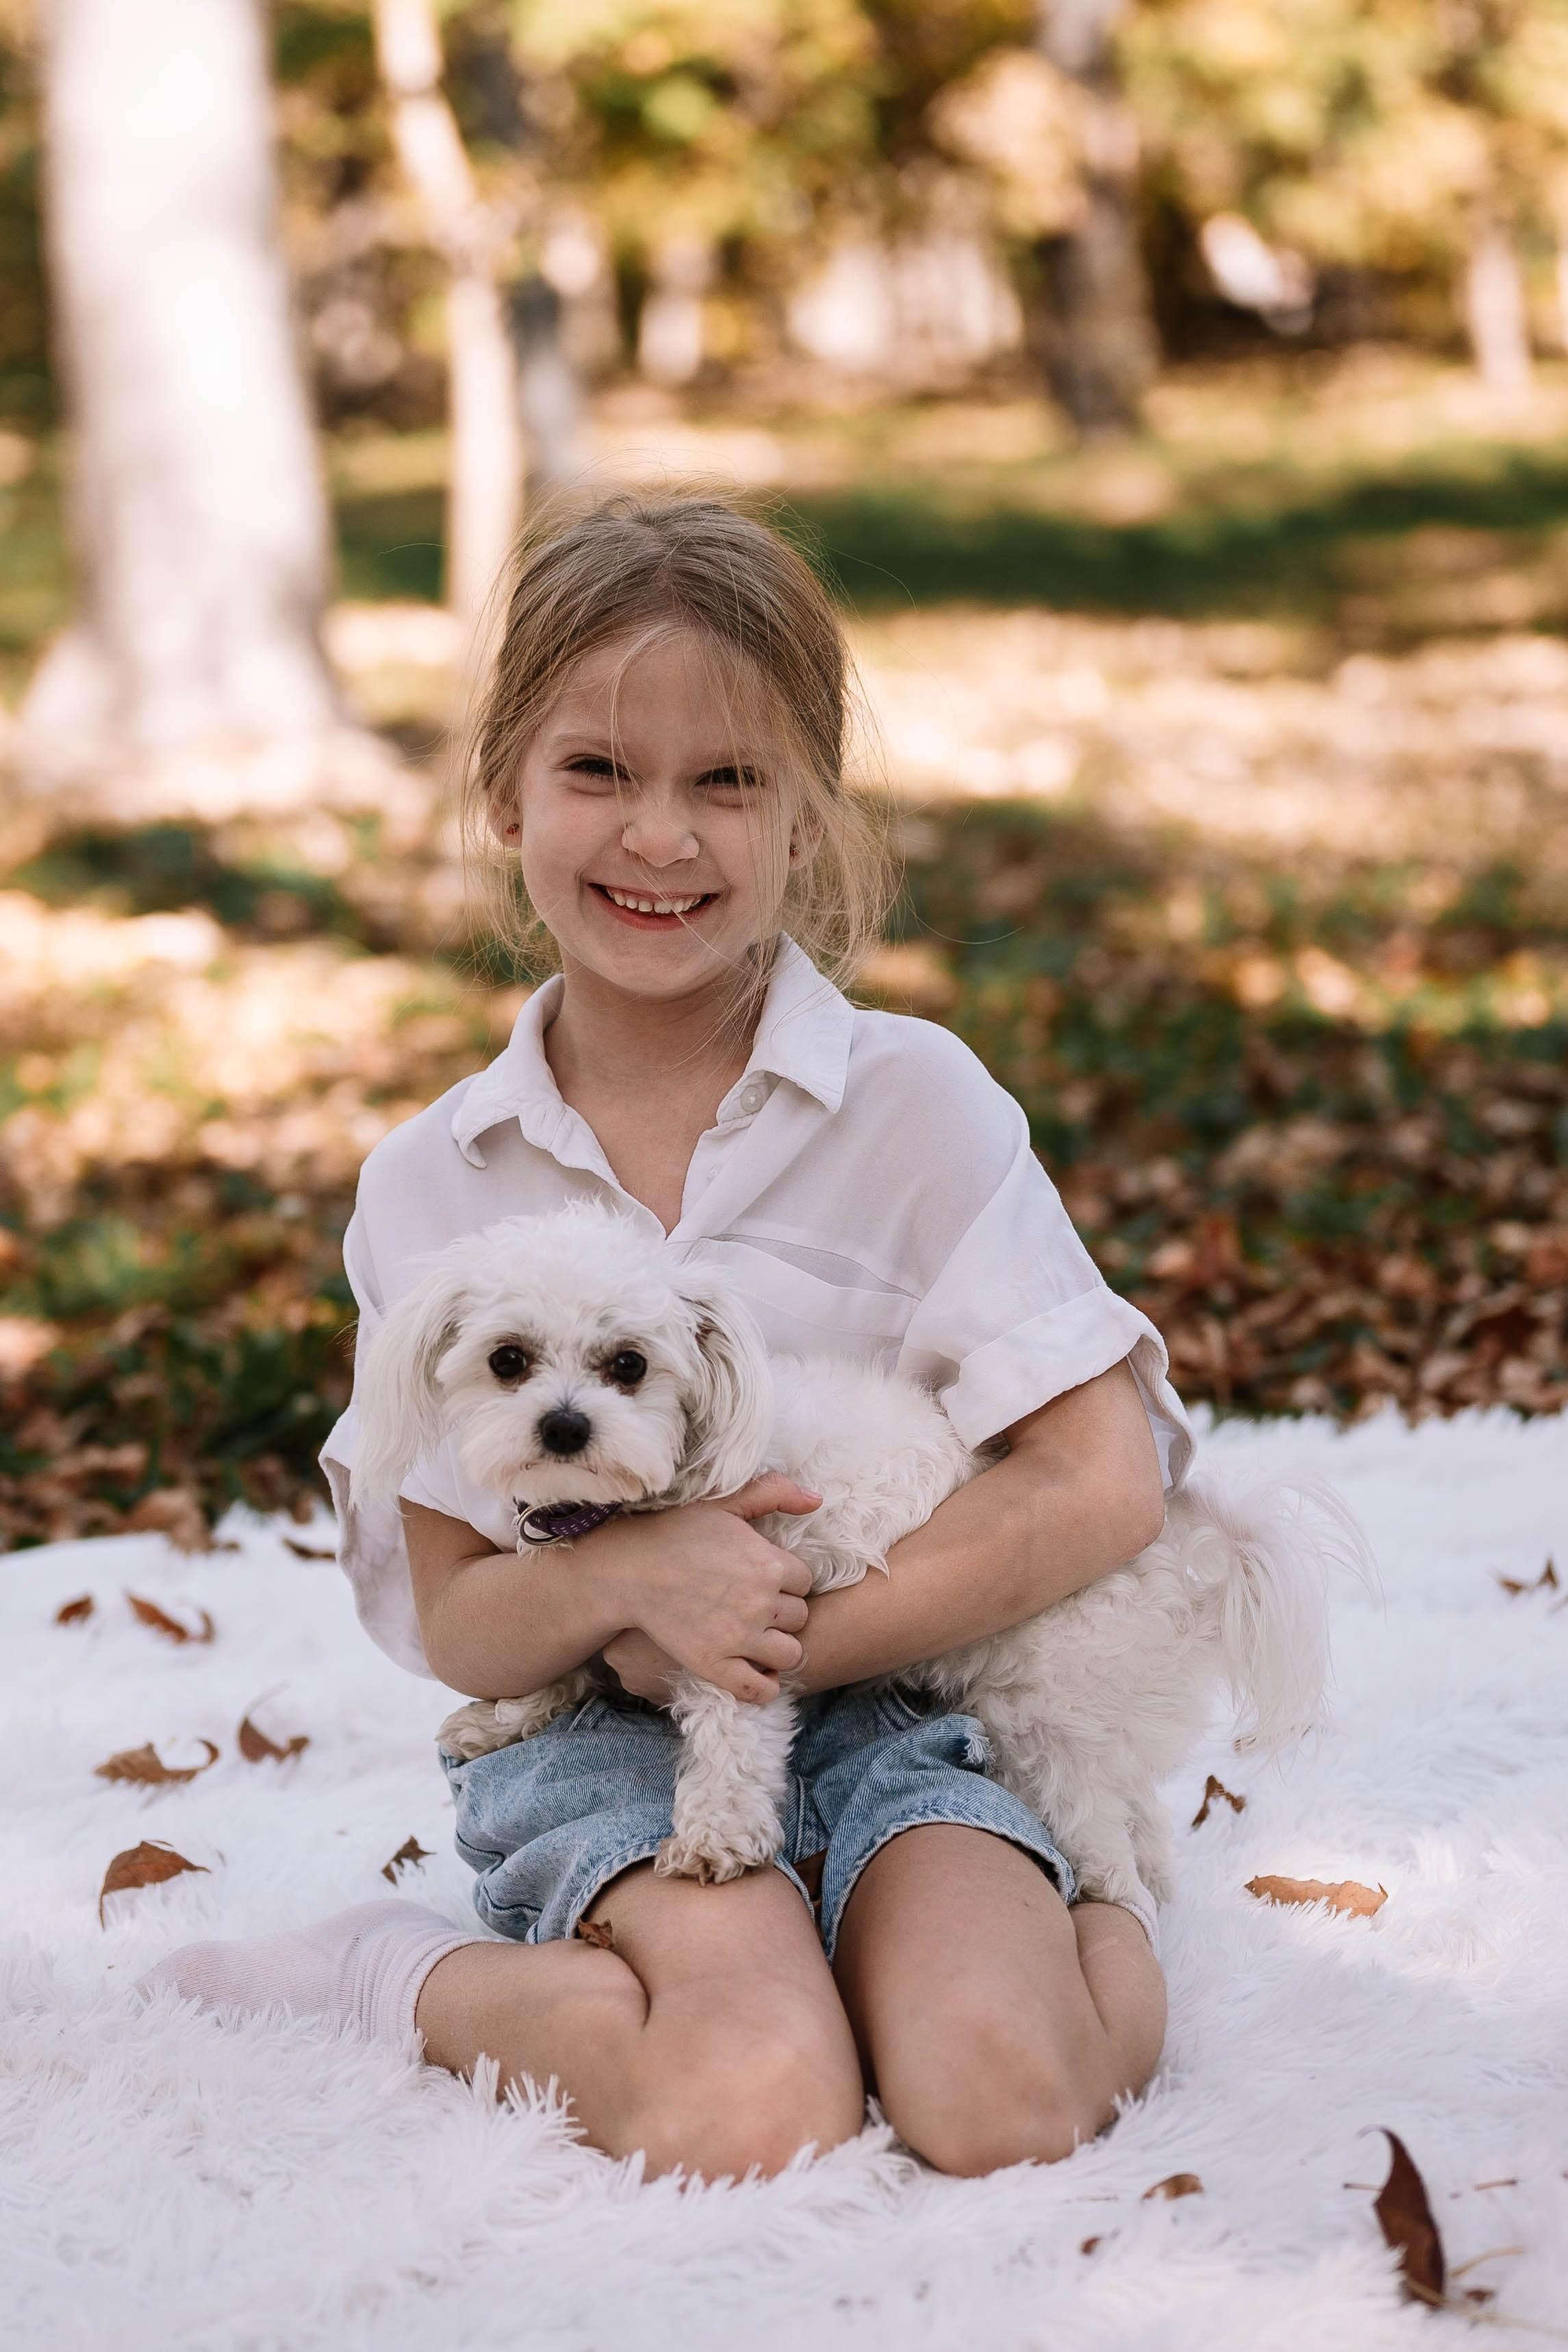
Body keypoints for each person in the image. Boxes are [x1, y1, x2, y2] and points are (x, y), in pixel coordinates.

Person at [140, 494, 1191, 2181]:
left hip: (898, 1690)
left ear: (806, 815)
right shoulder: (433, 1182)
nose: (660, 837)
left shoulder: (913, 1101)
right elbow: (464, 1617)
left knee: (1000, 2092)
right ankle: (392, 1972)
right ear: (503, 791)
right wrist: (632, 1592)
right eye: (598, 772)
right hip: (592, 1732)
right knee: (747, 2102)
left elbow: (1097, 1476)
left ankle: (1098, 1917)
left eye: (728, 778)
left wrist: (776, 1633)